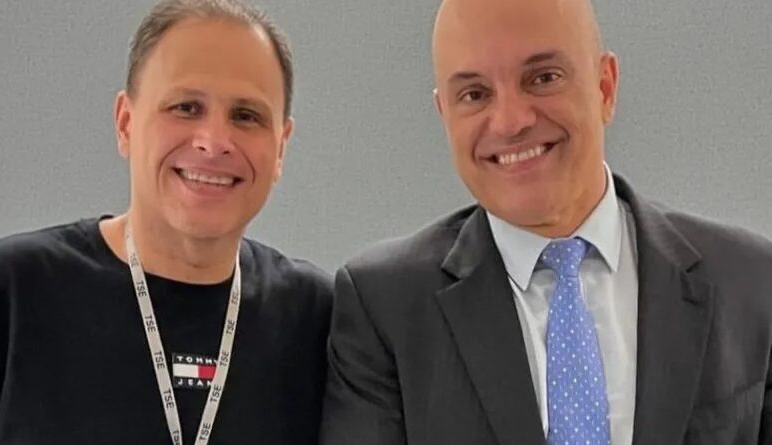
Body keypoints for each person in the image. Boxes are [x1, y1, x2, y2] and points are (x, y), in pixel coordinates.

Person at [320, 0, 772, 443]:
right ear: (445, 116)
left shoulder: (750, 281)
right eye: (475, 95)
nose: (510, 121)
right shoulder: (385, 310)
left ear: (605, 88)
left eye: (542, 78)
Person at [0, 1, 332, 443]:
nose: (213, 142)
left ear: (280, 147)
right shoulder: (14, 291)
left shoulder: (316, 319)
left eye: (246, 116)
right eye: (186, 107)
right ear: (126, 123)